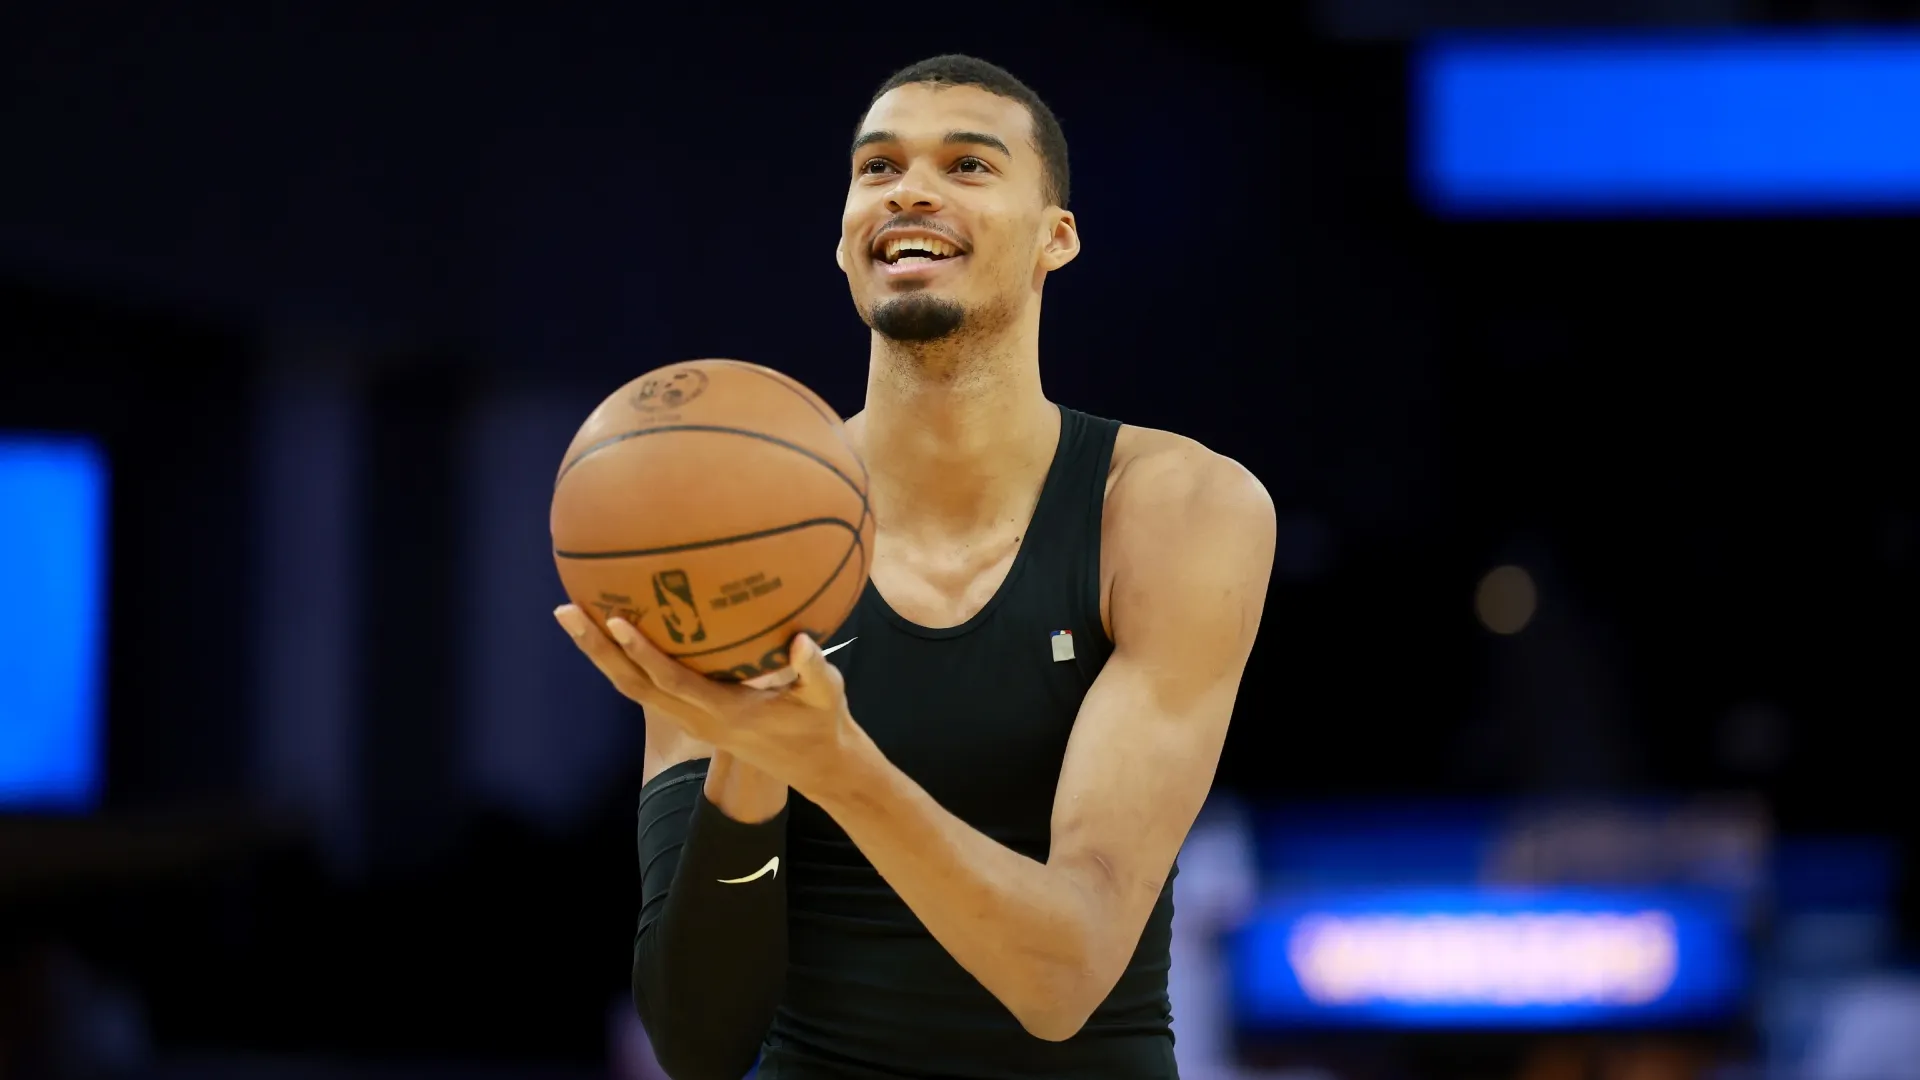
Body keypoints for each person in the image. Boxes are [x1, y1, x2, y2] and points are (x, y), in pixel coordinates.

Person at [553, 54, 1276, 1079]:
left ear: (1054, 237)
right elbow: (699, 1040)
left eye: (969, 165)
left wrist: (836, 765)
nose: (911, 188)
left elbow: (1065, 980)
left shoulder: (1175, 508)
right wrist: (750, 749)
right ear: (848, 239)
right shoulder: (723, 531)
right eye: (877, 166)